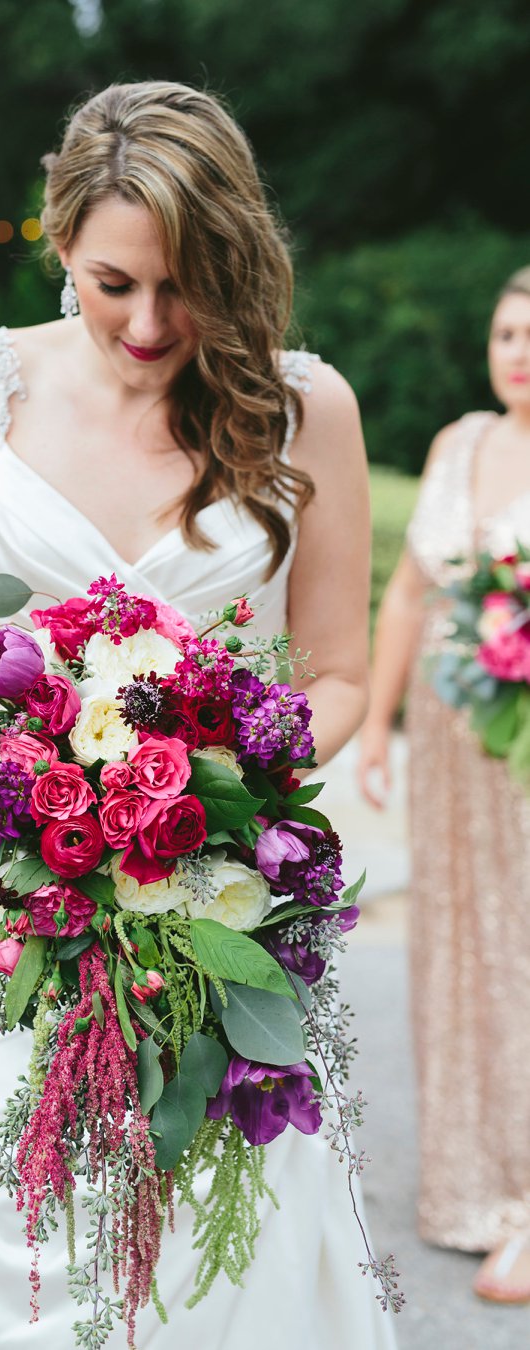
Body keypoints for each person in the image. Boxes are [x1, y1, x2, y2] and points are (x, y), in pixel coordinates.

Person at [0, 82, 395, 1347]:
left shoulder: (305, 404)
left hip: (216, 898)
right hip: (32, 893)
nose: (152, 323)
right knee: (20, 1229)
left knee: (223, 1253)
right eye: (117, 283)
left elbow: (335, 671)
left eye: (188, 283)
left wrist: (208, 794)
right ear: (60, 241)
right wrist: (27, 780)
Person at [358, 267, 530, 1304]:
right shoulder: (457, 443)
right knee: (463, 945)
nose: (519, 349)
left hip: (526, 759)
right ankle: (474, 1180)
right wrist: (378, 723)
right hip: (452, 754)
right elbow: (410, 593)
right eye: (507, 330)